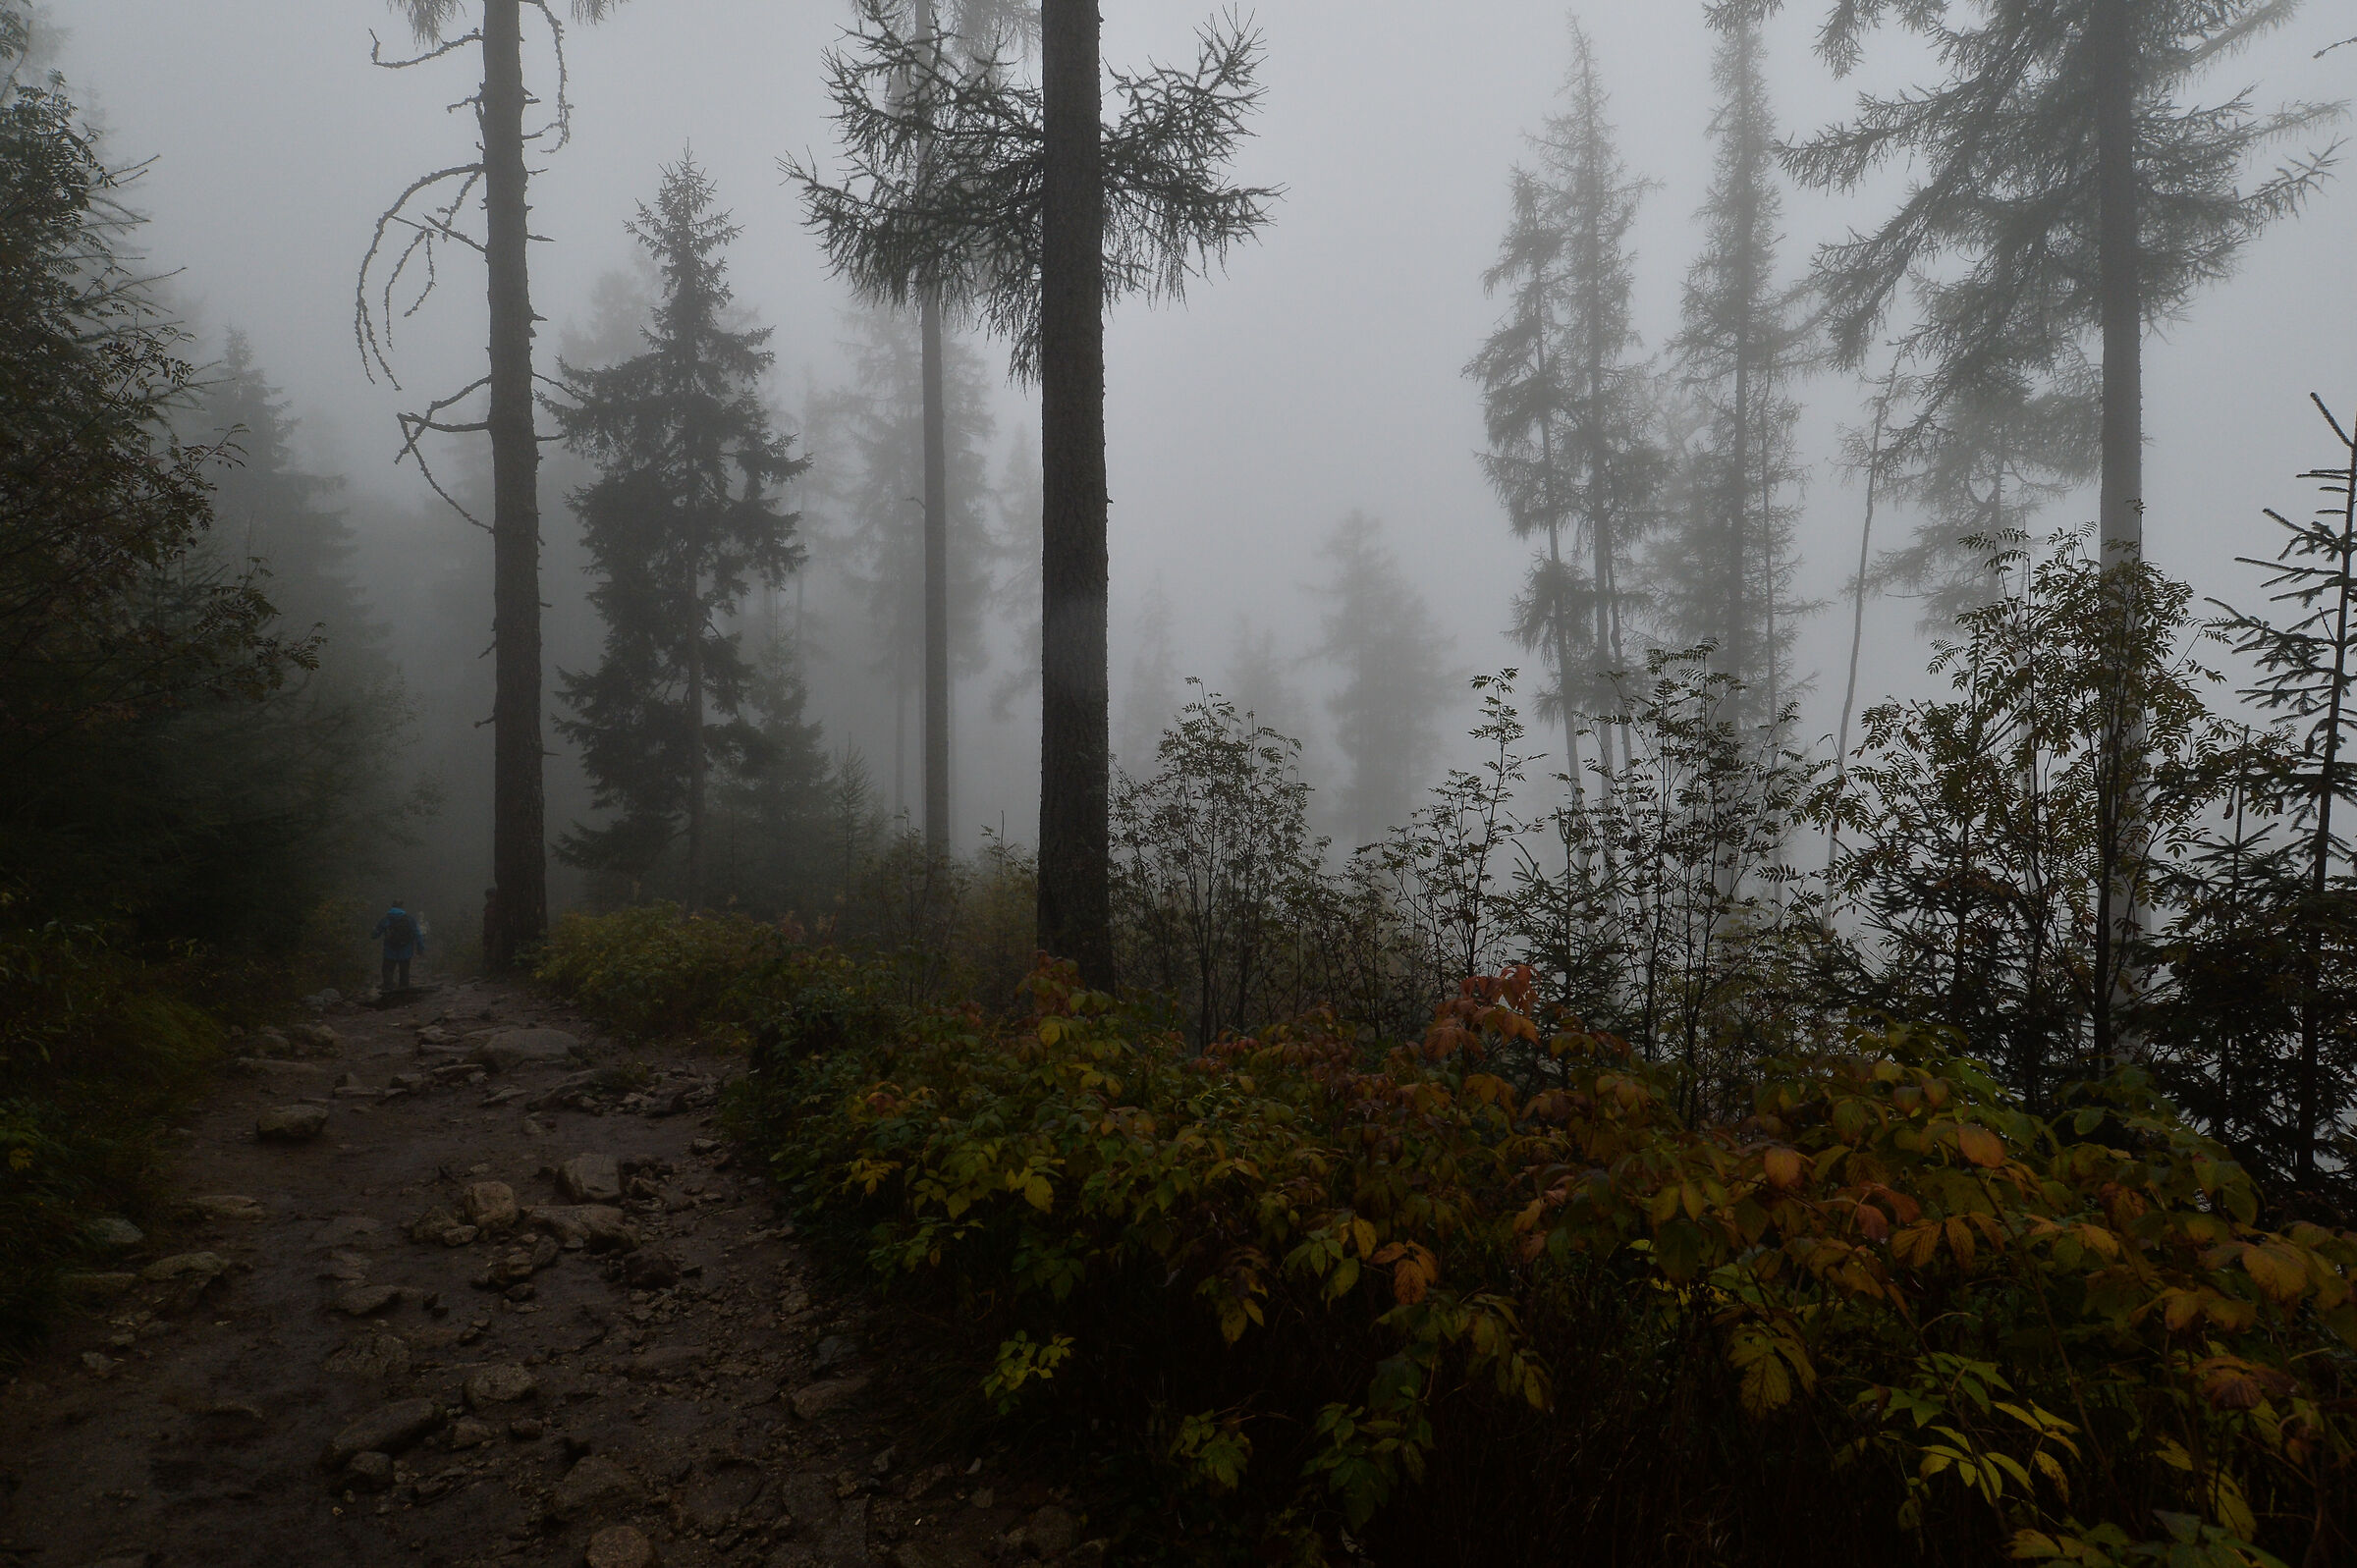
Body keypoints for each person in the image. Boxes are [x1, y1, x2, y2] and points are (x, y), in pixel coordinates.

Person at [373, 899, 424, 993]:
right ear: (402, 907)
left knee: (387, 970)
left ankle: (388, 990)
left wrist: (374, 932)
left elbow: (375, 935)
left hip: (389, 951)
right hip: (406, 951)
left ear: (392, 906)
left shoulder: (386, 919)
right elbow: (418, 934)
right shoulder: (409, 919)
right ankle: (404, 991)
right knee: (404, 972)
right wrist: (420, 948)